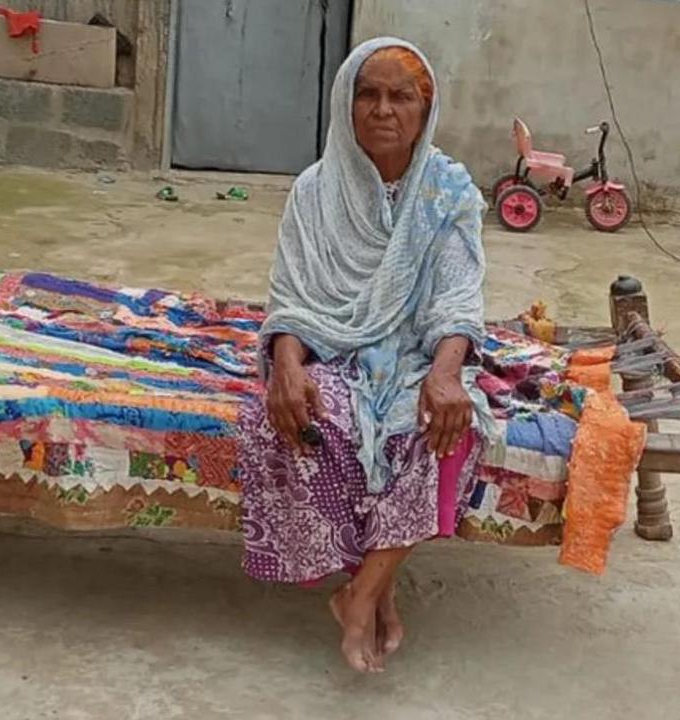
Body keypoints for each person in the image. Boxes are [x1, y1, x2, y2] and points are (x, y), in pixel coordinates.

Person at [237, 37, 492, 673]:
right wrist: (287, 366)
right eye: (368, 94)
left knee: (441, 427)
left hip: (415, 354)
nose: (383, 110)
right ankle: (375, 589)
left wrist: (444, 374)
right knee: (308, 426)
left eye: (400, 96)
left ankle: (359, 595)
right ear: (345, 105)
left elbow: (458, 297)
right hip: (334, 348)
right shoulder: (314, 190)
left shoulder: (447, 191)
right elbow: (292, 298)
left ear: (424, 109)